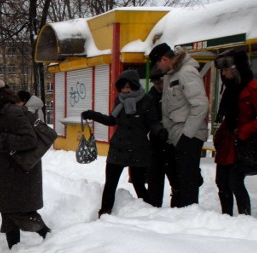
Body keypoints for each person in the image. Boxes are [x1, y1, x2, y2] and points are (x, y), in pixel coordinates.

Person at [0, 78, 51, 249]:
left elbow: (30, 140)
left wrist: (4, 140)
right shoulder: (0, 112)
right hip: (9, 172)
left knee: (21, 212)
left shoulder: (11, 112)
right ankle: (14, 250)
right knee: (8, 212)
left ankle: (50, 238)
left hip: (18, 174)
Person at [81, 70, 161, 217]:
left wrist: (160, 131)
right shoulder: (120, 101)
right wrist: (93, 115)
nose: (126, 90)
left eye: (129, 87)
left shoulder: (147, 101)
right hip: (119, 148)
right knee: (110, 184)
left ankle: (150, 213)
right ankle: (105, 212)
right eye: (123, 87)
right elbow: (112, 120)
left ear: (136, 86)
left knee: (138, 184)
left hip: (139, 149)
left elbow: (153, 123)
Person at [149, 43, 209, 208]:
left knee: (188, 181)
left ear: (165, 59)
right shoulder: (171, 74)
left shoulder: (186, 72)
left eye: (158, 63)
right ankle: (182, 213)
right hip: (176, 135)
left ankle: (189, 216)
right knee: (181, 180)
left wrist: (187, 135)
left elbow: (200, 105)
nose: (158, 68)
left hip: (189, 135)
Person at [212, 50, 257, 216]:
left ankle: (244, 217)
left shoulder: (252, 88)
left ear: (236, 68)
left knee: (235, 181)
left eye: (226, 69)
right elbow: (228, 116)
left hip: (243, 142)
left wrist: (246, 130)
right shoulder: (230, 88)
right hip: (228, 140)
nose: (224, 73)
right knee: (221, 181)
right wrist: (221, 134)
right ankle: (226, 216)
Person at [145, 68, 178, 208]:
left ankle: (176, 207)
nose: (158, 85)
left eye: (160, 82)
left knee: (176, 181)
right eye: (156, 83)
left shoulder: (172, 95)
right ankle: (154, 206)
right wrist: (158, 130)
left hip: (171, 143)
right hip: (156, 145)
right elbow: (149, 121)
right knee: (155, 181)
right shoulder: (150, 98)